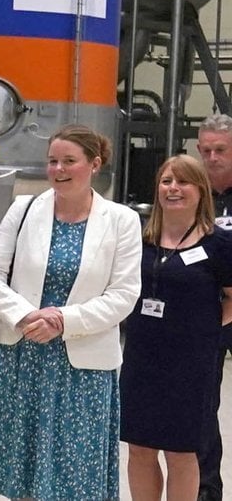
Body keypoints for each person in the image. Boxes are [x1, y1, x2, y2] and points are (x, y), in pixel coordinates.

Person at [0, 125, 142, 500]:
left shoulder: (121, 220)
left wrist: (62, 320)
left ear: (94, 164)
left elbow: (124, 294)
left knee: (76, 478)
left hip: (82, 367)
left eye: (69, 161)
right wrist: (25, 316)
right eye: (52, 161)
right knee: (21, 474)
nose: (58, 170)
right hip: (23, 354)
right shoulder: (24, 209)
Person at [121, 154, 232, 501]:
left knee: (181, 451)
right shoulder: (139, 239)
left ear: (200, 191)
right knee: (139, 448)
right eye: (167, 181)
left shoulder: (219, 244)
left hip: (191, 361)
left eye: (183, 182)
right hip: (141, 355)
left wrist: (205, 326)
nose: (173, 189)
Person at [196, 113, 232, 501]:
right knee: (203, 405)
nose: (211, 157)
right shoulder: (192, 193)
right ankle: (206, 490)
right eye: (205, 150)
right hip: (209, 314)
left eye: (220, 150)